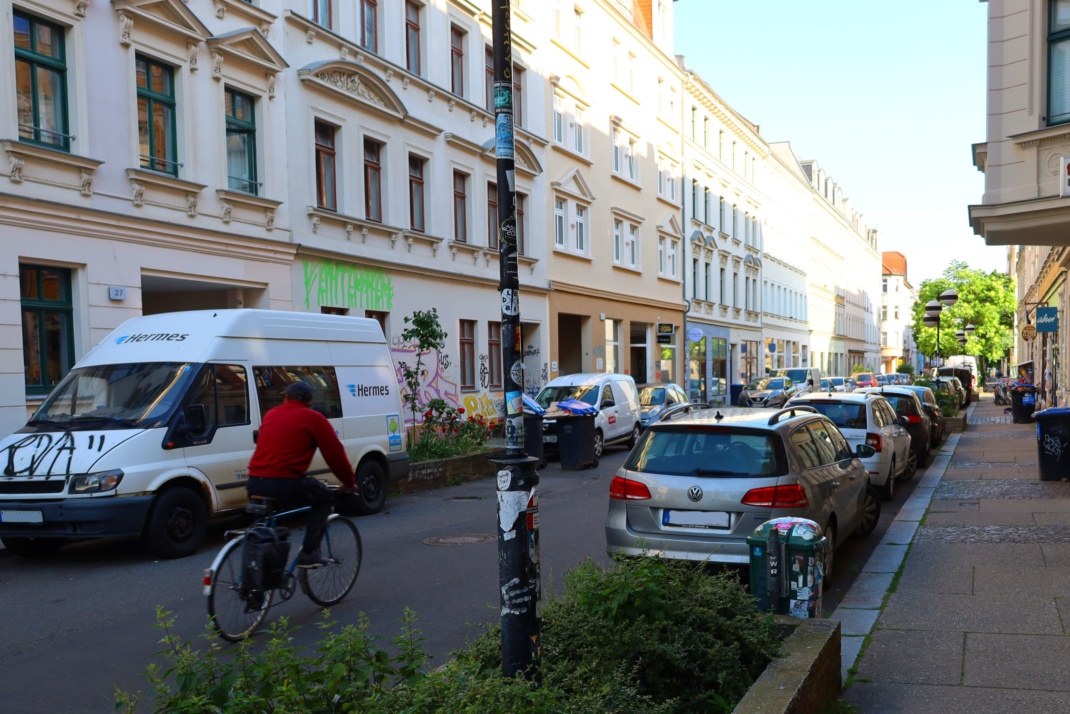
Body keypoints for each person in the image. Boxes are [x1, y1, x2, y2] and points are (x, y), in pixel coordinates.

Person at [247, 381, 357, 568]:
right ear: (310, 402)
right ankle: (309, 553)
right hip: (285, 483)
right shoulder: (313, 418)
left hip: (254, 482)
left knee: (266, 533)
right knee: (324, 498)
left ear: (286, 397)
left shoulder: (270, 414)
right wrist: (348, 482)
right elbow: (335, 455)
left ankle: (265, 574)